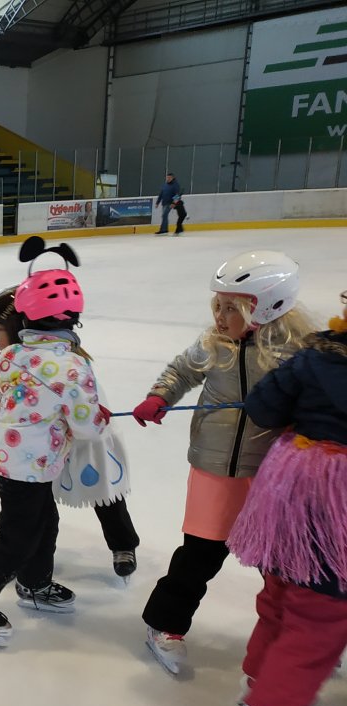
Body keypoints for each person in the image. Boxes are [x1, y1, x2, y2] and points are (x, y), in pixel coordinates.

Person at [132, 250, 315, 675]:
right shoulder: (213, 345)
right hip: (215, 469)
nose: (219, 315)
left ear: (265, 308)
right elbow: (181, 371)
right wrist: (160, 396)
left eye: (232, 307)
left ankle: (296, 633)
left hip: (271, 475)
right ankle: (164, 624)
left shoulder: (297, 353)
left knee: (280, 563)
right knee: (199, 556)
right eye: (218, 304)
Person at [0, 237, 110, 647]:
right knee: (19, 537)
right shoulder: (74, 368)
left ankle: (34, 583)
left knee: (44, 523)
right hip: (33, 466)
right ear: (73, 319)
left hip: (10, 462)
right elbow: (88, 429)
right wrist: (96, 416)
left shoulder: (9, 356)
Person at [225, 289, 347, 706]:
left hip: (291, 479)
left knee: (284, 585)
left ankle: (261, 676)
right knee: (323, 609)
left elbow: (263, 406)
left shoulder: (316, 351)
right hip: (335, 492)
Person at [0, 287, 140, 579]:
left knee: (104, 493)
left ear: (17, 327)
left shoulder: (63, 361)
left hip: (84, 439)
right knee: (41, 510)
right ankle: (32, 566)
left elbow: (85, 412)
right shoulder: (15, 360)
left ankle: (123, 544)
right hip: (44, 450)